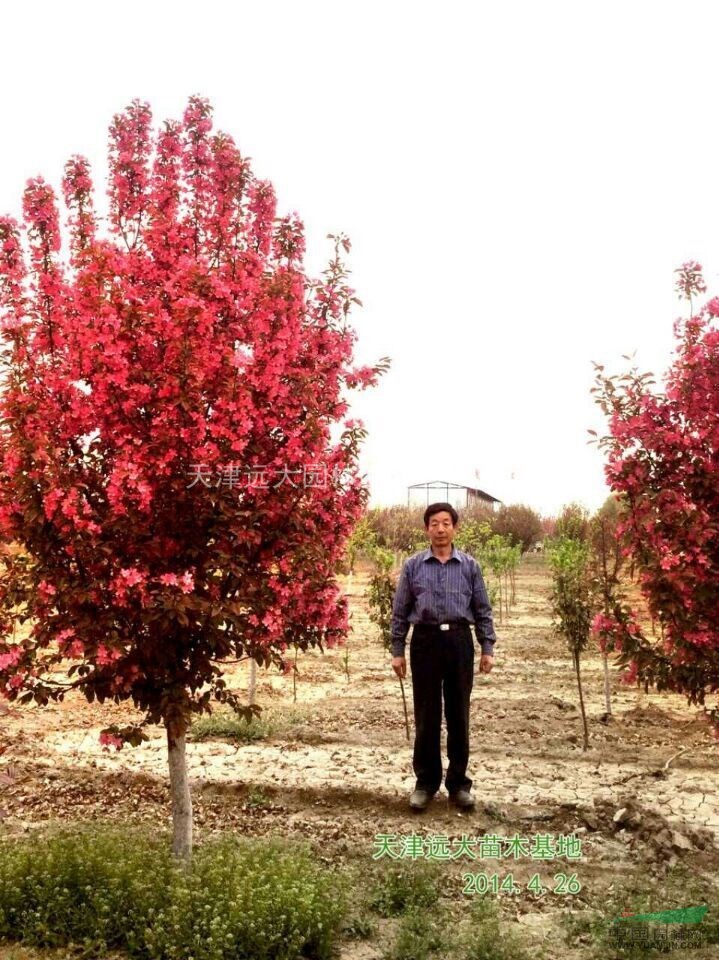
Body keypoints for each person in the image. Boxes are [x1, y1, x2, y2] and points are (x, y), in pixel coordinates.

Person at [390, 502, 496, 811]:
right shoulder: (413, 566)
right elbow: (400, 611)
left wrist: (486, 646)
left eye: (446, 523)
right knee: (427, 715)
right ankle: (425, 783)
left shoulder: (469, 566)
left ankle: (458, 784)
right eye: (434, 523)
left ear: (454, 528)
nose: (440, 528)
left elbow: (482, 609)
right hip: (424, 641)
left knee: (458, 714)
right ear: (426, 529)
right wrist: (398, 650)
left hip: (459, 642)